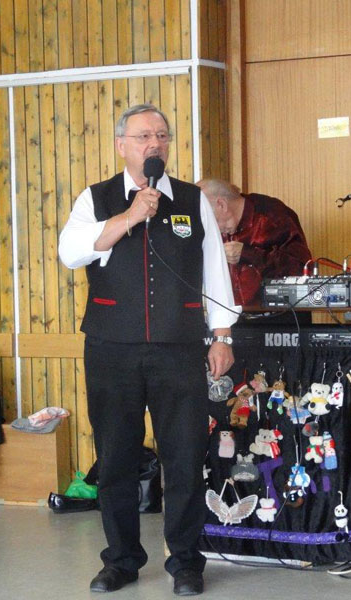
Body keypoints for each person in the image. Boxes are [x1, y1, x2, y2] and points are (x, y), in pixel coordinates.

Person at [59, 104, 239, 596]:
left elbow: (214, 269)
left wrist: (222, 335)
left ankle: (186, 561)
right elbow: (70, 252)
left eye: (161, 135)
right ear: (122, 145)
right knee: (115, 459)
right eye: (142, 136)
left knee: (184, 458)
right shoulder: (95, 198)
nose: (154, 144)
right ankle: (121, 560)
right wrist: (130, 215)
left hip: (179, 348)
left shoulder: (192, 199)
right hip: (111, 349)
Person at [196, 179, 312, 306]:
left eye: (213, 221)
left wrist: (249, 254)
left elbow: (302, 268)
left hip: (281, 313)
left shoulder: (273, 216)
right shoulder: (216, 231)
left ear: (222, 205)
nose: (214, 229)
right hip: (234, 314)